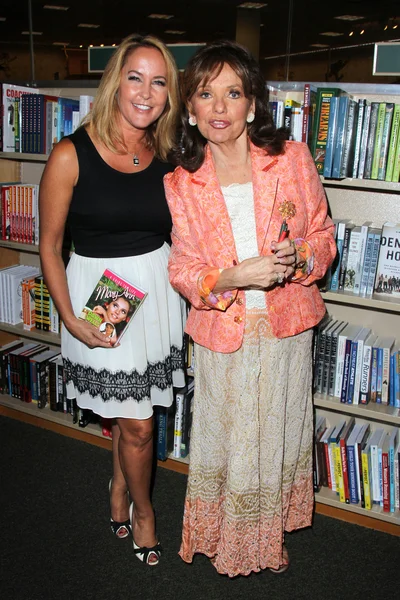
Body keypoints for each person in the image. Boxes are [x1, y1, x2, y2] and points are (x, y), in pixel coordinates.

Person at [164, 40, 336, 578]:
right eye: (205, 95)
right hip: (224, 332)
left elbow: (323, 237)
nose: (218, 107)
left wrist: (300, 255)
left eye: (232, 93)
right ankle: (233, 540)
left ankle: (270, 533)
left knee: (279, 427)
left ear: (252, 104)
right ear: (190, 110)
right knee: (232, 435)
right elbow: (183, 269)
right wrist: (235, 277)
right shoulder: (181, 182)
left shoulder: (292, 159)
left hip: (286, 327)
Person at [39, 33, 186, 566]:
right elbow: (50, 247)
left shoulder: (167, 154)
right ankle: (145, 512)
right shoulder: (69, 154)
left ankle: (120, 488)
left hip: (156, 295)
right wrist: (71, 320)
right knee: (141, 424)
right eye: (134, 77)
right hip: (97, 300)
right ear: (114, 82)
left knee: (134, 414)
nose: (145, 92)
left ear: (170, 93)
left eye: (159, 81)